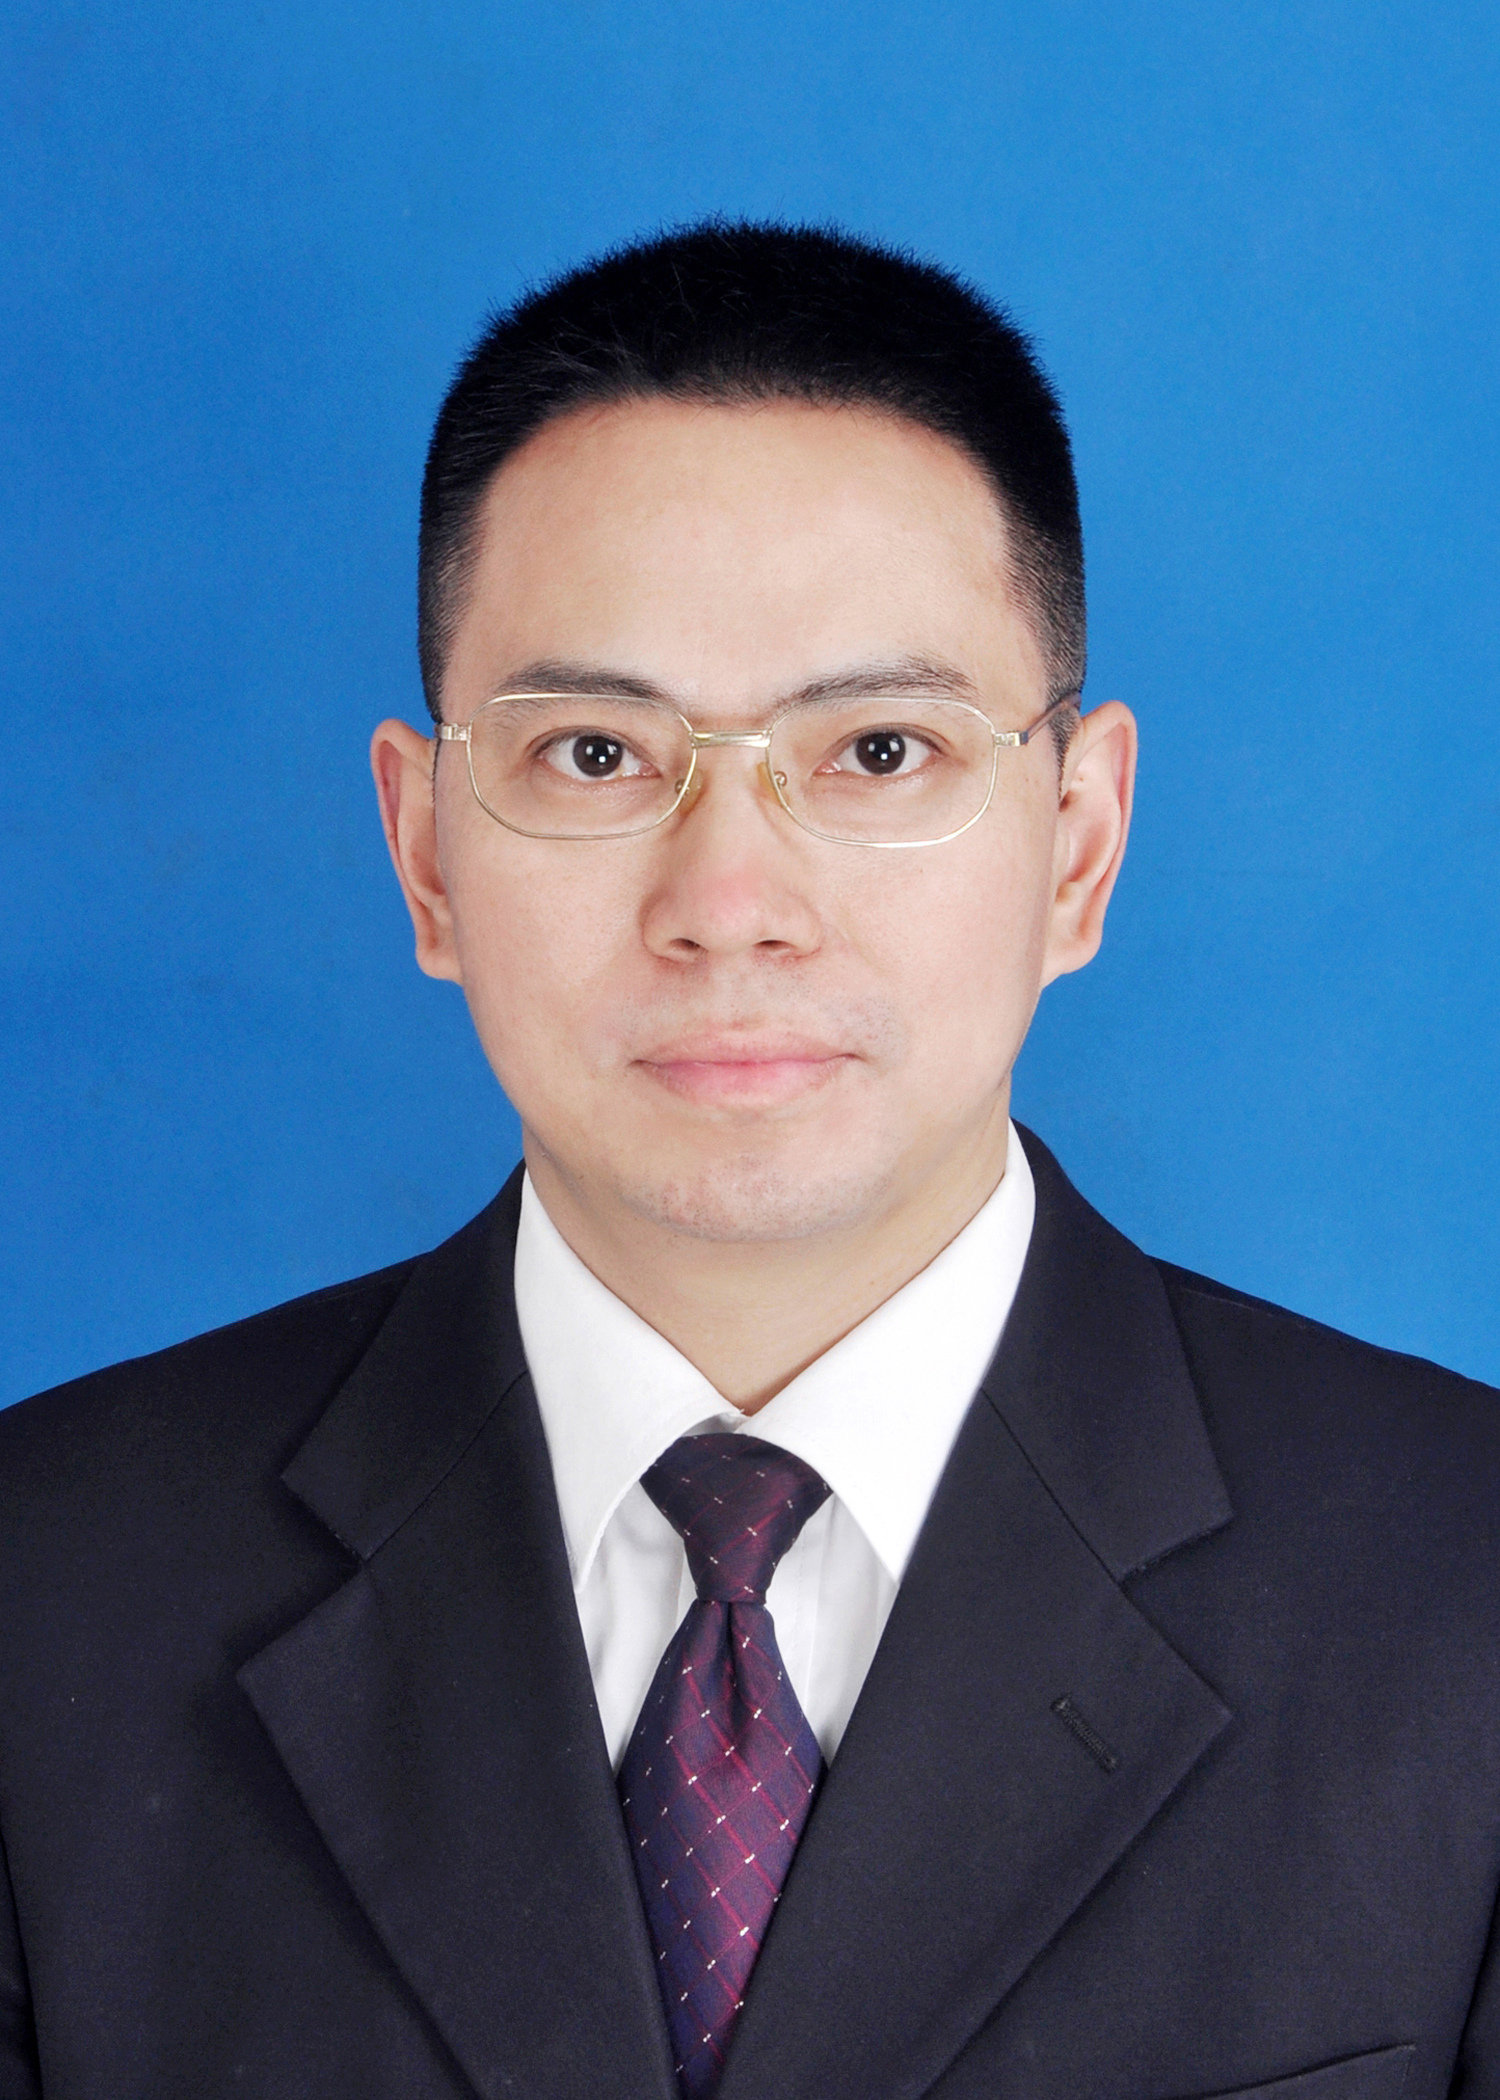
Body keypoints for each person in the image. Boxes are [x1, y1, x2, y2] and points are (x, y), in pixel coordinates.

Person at [1, 220, 1497, 2100]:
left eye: (878, 751)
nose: (729, 902)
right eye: (594, 756)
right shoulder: (44, 1595)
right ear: (427, 851)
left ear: (1078, 843)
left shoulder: (1465, 1595)